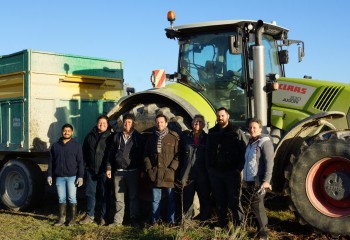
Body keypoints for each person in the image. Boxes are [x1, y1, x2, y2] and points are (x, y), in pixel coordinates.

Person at [206, 107, 247, 228]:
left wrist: (238, 168)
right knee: (220, 200)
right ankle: (222, 224)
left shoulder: (236, 131)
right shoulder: (212, 132)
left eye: (222, 116)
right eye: (218, 116)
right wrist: (210, 168)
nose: (220, 118)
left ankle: (239, 225)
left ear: (227, 116)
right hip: (216, 172)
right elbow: (208, 151)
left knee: (234, 200)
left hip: (231, 172)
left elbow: (243, 151)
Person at [106, 114, 143, 227]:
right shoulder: (117, 136)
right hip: (118, 171)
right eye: (126, 122)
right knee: (119, 198)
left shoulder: (138, 137)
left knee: (133, 197)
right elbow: (111, 153)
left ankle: (134, 219)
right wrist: (109, 167)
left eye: (129, 122)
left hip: (133, 171)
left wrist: (142, 170)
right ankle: (118, 221)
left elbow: (142, 155)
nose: (127, 124)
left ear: (133, 123)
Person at [144, 113, 179, 225]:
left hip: (169, 174)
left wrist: (172, 169)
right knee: (155, 200)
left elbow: (178, 155)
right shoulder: (151, 138)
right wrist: (149, 169)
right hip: (155, 174)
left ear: (166, 123)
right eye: (158, 122)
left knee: (170, 199)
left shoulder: (173, 138)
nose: (159, 124)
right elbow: (146, 155)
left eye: (162, 122)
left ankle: (171, 222)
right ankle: (155, 221)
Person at [243, 118, 274, 240]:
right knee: (254, 207)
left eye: (255, 127)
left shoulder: (264, 142)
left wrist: (266, 180)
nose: (252, 130)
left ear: (260, 129)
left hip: (258, 181)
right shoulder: (251, 142)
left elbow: (269, 162)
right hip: (249, 180)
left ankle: (263, 235)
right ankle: (259, 231)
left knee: (258, 207)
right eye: (250, 127)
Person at [47, 123, 84, 226]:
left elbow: (81, 162)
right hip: (59, 177)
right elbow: (51, 162)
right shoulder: (55, 146)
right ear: (62, 132)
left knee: (72, 198)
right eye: (65, 130)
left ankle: (72, 219)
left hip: (72, 177)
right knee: (61, 198)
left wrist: (80, 176)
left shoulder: (76, 146)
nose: (66, 132)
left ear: (72, 132)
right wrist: (49, 175)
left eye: (68, 131)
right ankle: (62, 219)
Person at [79, 115, 112, 226]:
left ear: (107, 125)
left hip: (104, 171)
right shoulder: (90, 136)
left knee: (104, 194)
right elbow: (84, 153)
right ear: (96, 123)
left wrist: (108, 167)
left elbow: (111, 154)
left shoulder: (111, 137)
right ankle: (90, 215)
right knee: (90, 193)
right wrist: (84, 168)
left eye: (104, 123)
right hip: (91, 170)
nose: (101, 125)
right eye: (100, 123)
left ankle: (104, 217)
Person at [180, 114, 211, 221]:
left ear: (203, 125)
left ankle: (204, 221)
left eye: (200, 122)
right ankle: (187, 222)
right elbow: (180, 155)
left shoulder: (207, 139)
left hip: (202, 174)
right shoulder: (186, 138)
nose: (197, 124)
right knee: (187, 199)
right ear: (192, 123)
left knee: (204, 198)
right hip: (188, 174)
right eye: (195, 122)